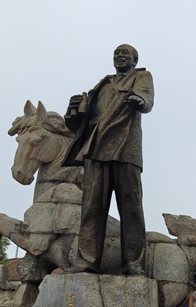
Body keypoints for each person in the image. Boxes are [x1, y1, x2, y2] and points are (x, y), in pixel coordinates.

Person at [63, 44, 154, 275]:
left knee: (131, 208)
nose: (120, 56)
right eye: (116, 53)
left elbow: (146, 98)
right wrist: (73, 110)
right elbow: (82, 124)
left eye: (125, 53)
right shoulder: (102, 85)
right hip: (96, 150)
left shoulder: (141, 77)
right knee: (91, 208)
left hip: (126, 150)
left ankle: (133, 263)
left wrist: (139, 100)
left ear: (134, 60)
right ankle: (86, 261)